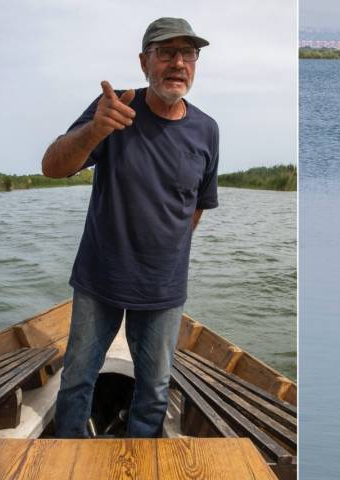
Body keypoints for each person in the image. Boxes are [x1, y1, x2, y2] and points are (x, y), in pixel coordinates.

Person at [41, 17, 219, 438]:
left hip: (163, 287)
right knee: (77, 380)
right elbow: (52, 167)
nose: (178, 62)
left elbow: (197, 205)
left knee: (155, 389)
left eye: (187, 53)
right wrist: (95, 130)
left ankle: (138, 459)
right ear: (144, 62)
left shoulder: (207, 129)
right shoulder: (114, 107)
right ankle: (69, 458)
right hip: (99, 277)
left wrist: (164, 247)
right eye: (165, 52)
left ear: (195, 63)